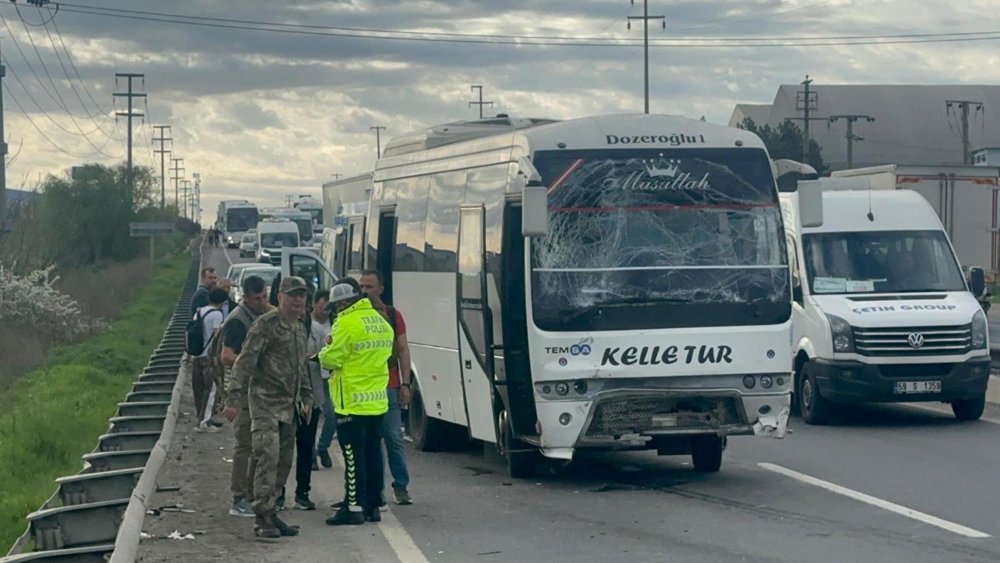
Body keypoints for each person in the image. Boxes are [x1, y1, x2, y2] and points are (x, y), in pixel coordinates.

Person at [226, 276, 313, 539]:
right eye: (293, 295)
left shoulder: (299, 326)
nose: (298, 300)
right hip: (264, 403)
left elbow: (301, 364)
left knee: (284, 460)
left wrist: (306, 395)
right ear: (281, 297)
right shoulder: (265, 325)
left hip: (289, 406)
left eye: (302, 295)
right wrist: (233, 398)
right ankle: (262, 516)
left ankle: (272, 510)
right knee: (267, 456)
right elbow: (245, 362)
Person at [319, 281, 394, 525]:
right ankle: (373, 505)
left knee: (353, 456)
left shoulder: (346, 323)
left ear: (342, 303)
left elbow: (330, 358)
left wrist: (319, 356)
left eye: (335, 307)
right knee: (373, 453)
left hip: (350, 400)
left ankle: (353, 507)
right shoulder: (380, 321)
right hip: (376, 401)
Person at [359, 269, 414, 506]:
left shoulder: (392, 315)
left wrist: (405, 384)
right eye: (362, 286)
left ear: (381, 289)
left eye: (369, 286)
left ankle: (400, 486)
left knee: (393, 438)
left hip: (390, 386)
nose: (364, 291)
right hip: (365, 389)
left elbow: (402, 349)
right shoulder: (356, 316)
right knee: (372, 443)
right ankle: (376, 491)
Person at [220, 274, 270, 518]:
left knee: (258, 446)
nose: (263, 302)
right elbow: (227, 355)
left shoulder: (259, 315)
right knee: (244, 446)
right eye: (258, 298)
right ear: (246, 298)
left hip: (258, 391)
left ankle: (252, 494)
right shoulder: (238, 321)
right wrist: (253, 365)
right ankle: (239, 498)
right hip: (242, 392)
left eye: (265, 297)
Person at [291, 289, 330, 511]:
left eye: (301, 302)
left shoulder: (310, 327)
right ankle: (277, 493)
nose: (298, 307)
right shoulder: (270, 325)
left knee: (305, 444)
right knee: (281, 448)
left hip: (310, 394)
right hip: (282, 396)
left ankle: (302, 492)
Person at [193, 288, 227, 432]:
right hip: (209, 356)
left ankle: (200, 417)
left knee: (199, 390)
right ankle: (205, 423)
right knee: (211, 389)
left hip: (197, 355)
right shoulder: (217, 314)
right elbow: (216, 336)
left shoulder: (199, 312)